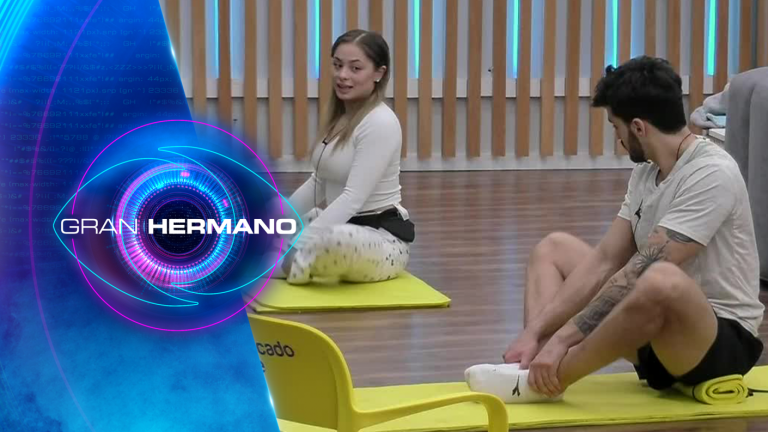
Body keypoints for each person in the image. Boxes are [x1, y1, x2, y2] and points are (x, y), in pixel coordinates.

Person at [465, 56, 764, 403]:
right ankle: (533, 362)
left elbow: (642, 270)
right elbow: (606, 259)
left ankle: (551, 379)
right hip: (654, 332)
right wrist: (536, 332)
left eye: (615, 127)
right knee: (554, 249)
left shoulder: (712, 172)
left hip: (717, 345)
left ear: (637, 128)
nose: (617, 138)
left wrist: (565, 338)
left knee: (657, 277)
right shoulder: (646, 173)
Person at [265, 29, 413, 286]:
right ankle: (287, 256)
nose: (343, 75)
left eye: (355, 68)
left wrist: (301, 243)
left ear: (379, 73)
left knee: (336, 238)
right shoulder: (340, 118)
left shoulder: (380, 122)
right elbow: (318, 181)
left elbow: (353, 198)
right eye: (337, 65)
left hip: (376, 241)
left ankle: (294, 259)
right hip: (337, 228)